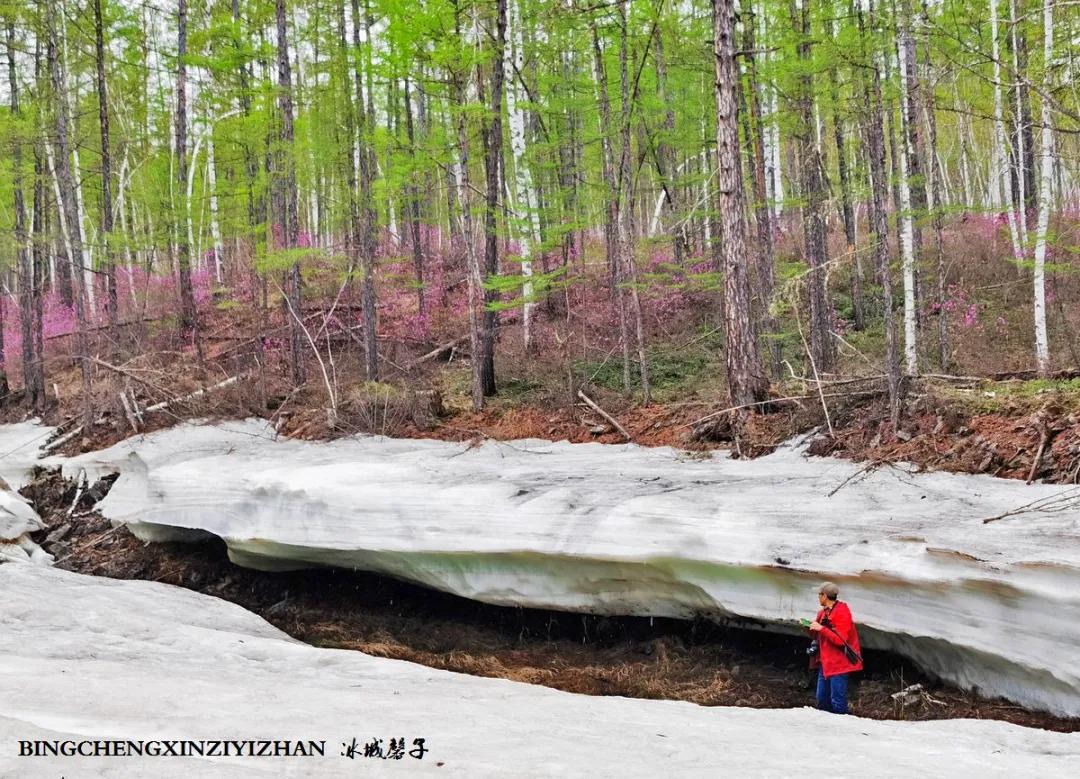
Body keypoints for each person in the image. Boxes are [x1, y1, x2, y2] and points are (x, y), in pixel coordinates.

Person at [807, 581, 862, 714]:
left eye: (819, 595)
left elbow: (840, 640)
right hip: (825, 662)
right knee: (822, 699)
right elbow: (817, 636)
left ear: (825, 596)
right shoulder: (823, 613)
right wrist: (809, 627)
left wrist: (821, 628)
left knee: (837, 700)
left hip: (839, 663)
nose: (818, 598)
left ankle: (841, 728)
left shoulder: (842, 612)